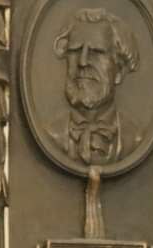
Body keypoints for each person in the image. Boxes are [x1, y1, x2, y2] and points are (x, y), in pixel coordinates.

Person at [50, 8, 141, 165]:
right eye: (75, 50)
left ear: (119, 70)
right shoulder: (51, 135)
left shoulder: (135, 139)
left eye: (96, 52)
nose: (82, 62)